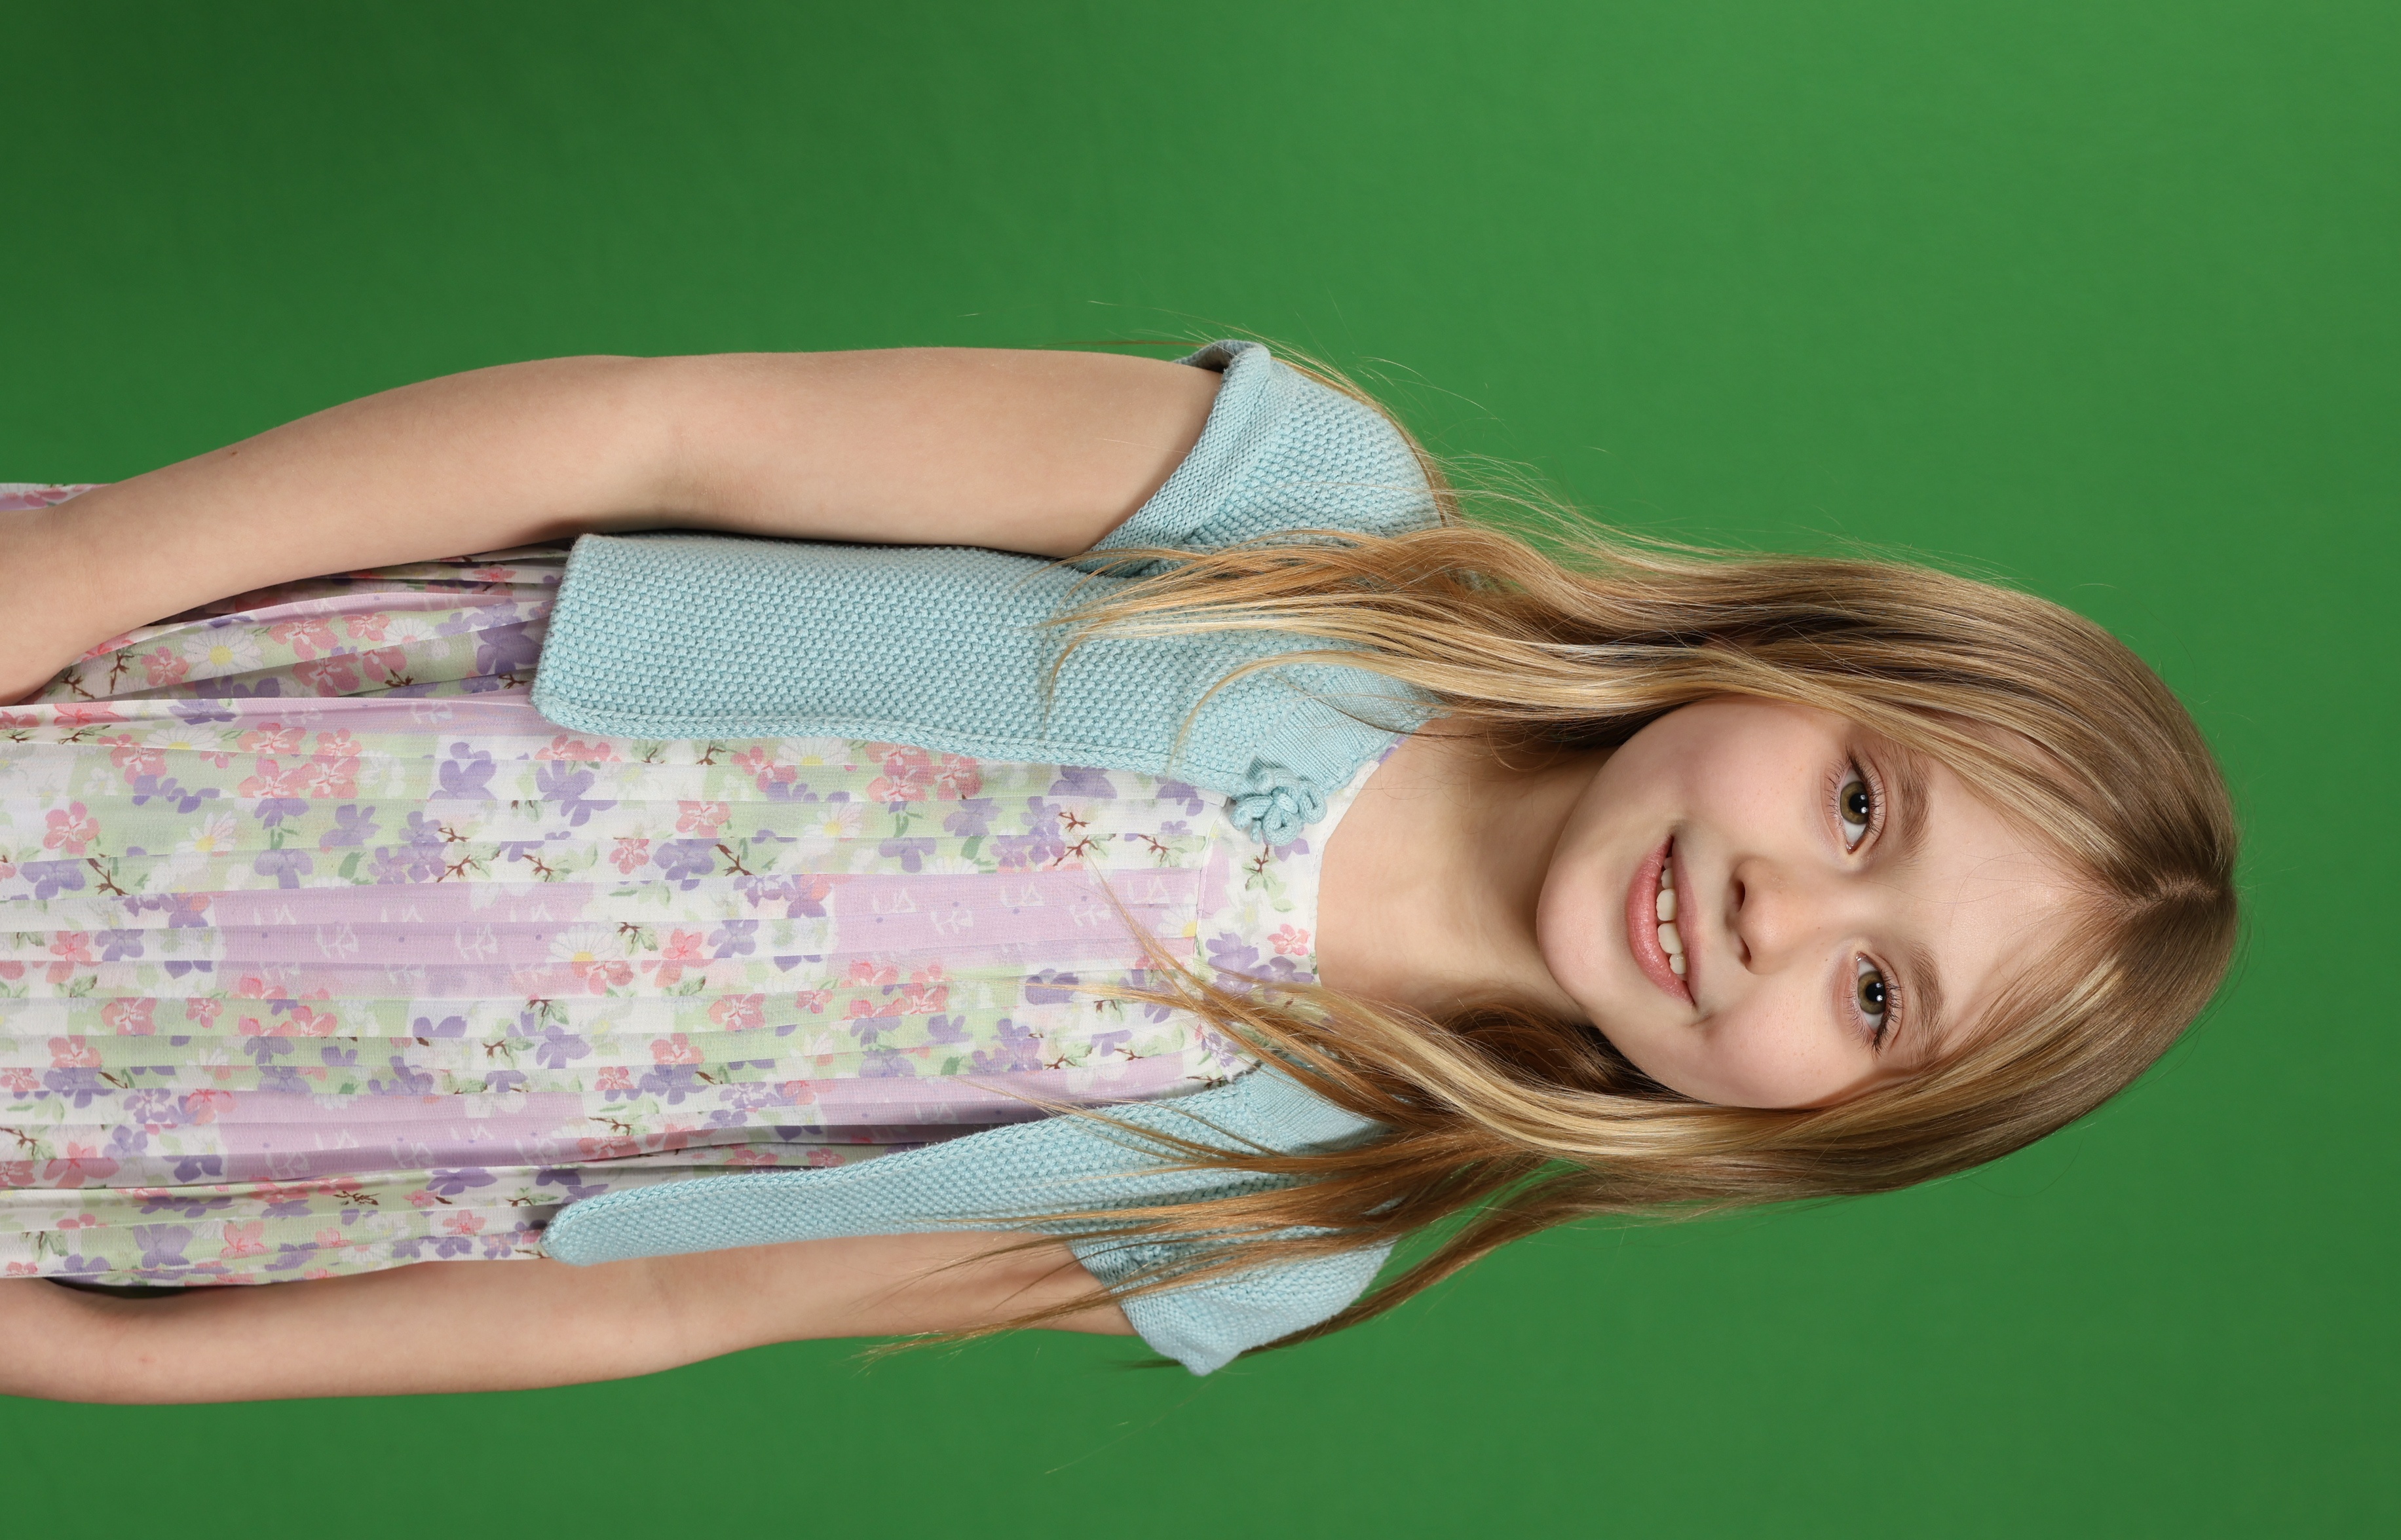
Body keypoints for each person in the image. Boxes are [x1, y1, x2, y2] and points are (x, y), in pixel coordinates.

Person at [0, 340, 2237, 1402]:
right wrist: (82, 573)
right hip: (148, 738)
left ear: (1821, 1133)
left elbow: (682, 1302)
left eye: (1877, 995)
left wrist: (137, 1368)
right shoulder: (1307, 524)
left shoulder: (1271, 1230)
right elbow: (655, 427)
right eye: (1861, 810)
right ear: (1795, 656)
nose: (1781, 914)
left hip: (169, 1132)